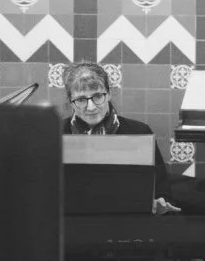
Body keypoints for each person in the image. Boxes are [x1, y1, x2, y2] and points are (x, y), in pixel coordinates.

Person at [62, 62, 179, 216]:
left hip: (128, 227)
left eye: (98, 96)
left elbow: (162, 192)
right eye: (81, 100)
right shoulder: (54, 135)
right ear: (70, 100)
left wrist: (160, 202)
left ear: (109, 94)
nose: (90, 107)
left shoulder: (139, 132)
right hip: (72, 227)